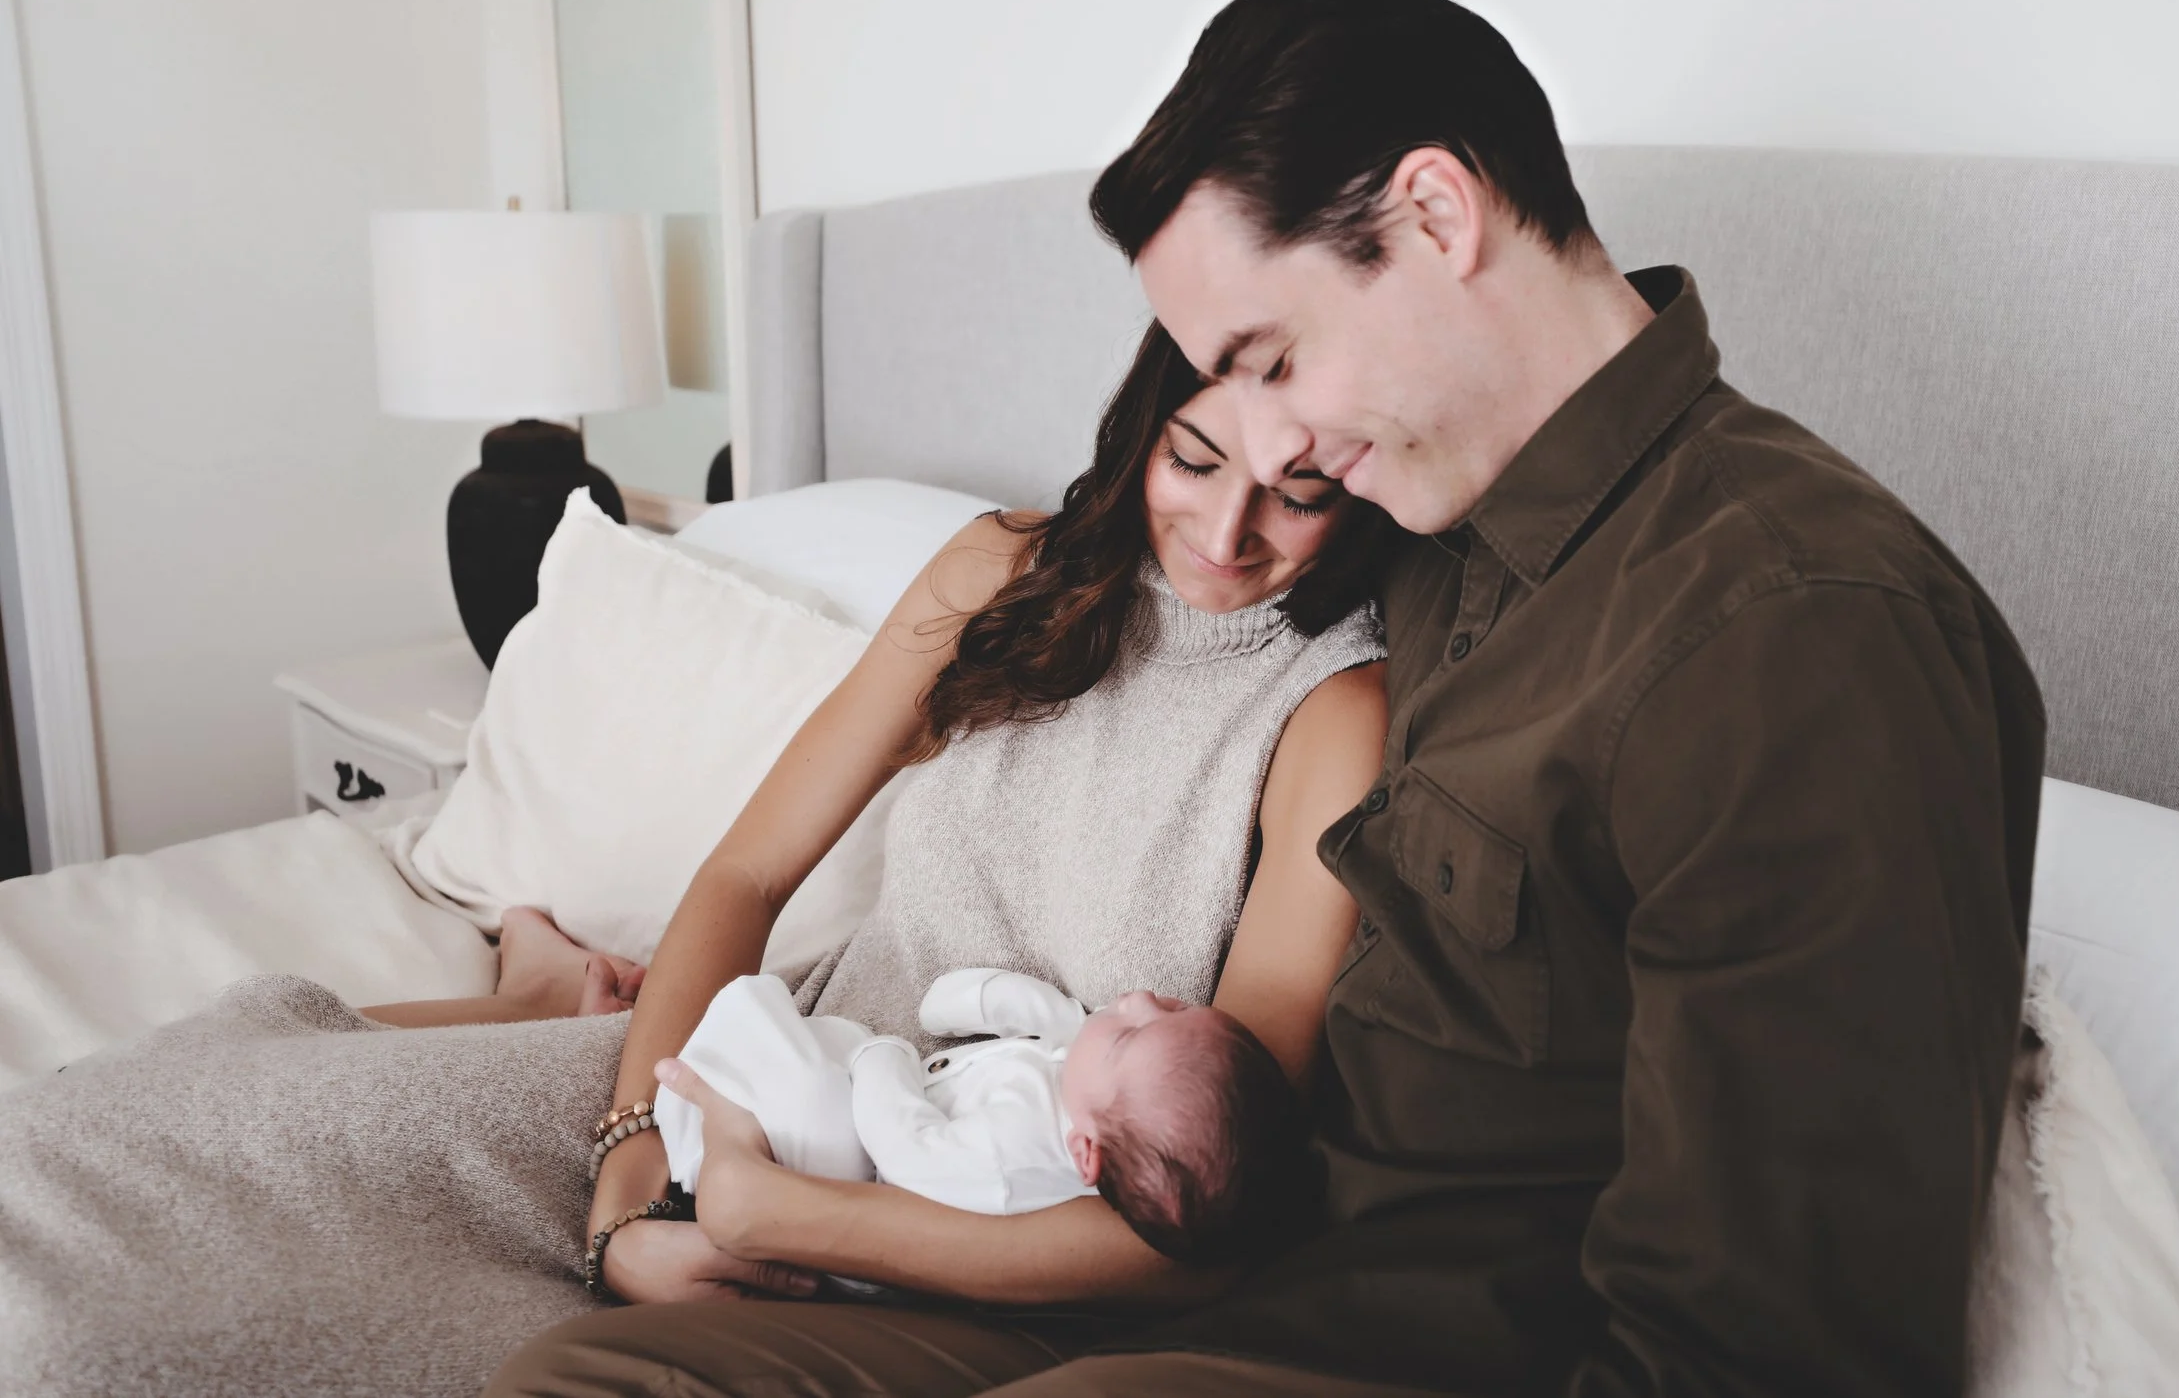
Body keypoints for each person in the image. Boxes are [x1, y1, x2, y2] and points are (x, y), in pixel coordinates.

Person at [493, 0, 2045, 1397]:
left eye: (1275, 357)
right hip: (1157, 1279)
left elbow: (1774, 1349)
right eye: (1212, 398)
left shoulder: (1798, 629)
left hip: (1331, 1339)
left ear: (1435, 213)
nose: (1275, 457)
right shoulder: (1432, 530)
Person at [0, 320, 1390, 1398]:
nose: (1225, 534)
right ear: (1143, 423)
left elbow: (1213, 1210)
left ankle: (551, 1001)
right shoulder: (999, 572)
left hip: (941, 1229)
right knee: (100, 1154)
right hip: (751, 1058)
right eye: (1196, 458)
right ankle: (558, 1006)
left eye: (1301, 489)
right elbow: (743, 882)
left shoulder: (1333, 713)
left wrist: (776, 1215)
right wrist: (623, 1188)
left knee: (195, 1331)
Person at [654, 970, 1317, 1266]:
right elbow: (1061, 1027)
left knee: (808, 1092)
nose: (1140, 998)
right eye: (1174, 1009)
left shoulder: (1017, 1158)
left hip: (856, 1173)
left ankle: (695, 1113)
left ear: (1086, 1153)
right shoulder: (1094, 1097)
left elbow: (909, 1146)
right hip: (869, 1134)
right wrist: (976, 997)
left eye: (1128, 1033)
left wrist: (885, 1058)